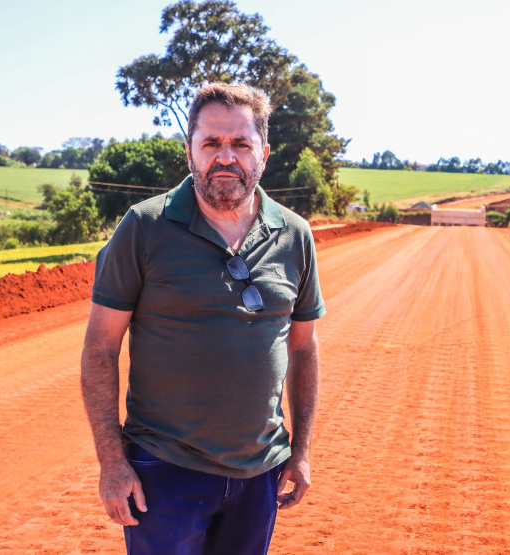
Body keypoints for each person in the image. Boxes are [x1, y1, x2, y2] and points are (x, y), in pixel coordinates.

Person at [80, 83, 324, 554]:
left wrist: (303, 450)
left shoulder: (295, 235)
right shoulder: (144, 227)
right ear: (189, 150)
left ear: (264, 154)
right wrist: (112, 463)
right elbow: (100, 347)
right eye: (211, 143)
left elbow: (303, 346)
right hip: (166, 471)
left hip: (260, 472)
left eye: (241, 144)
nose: (225, 157)